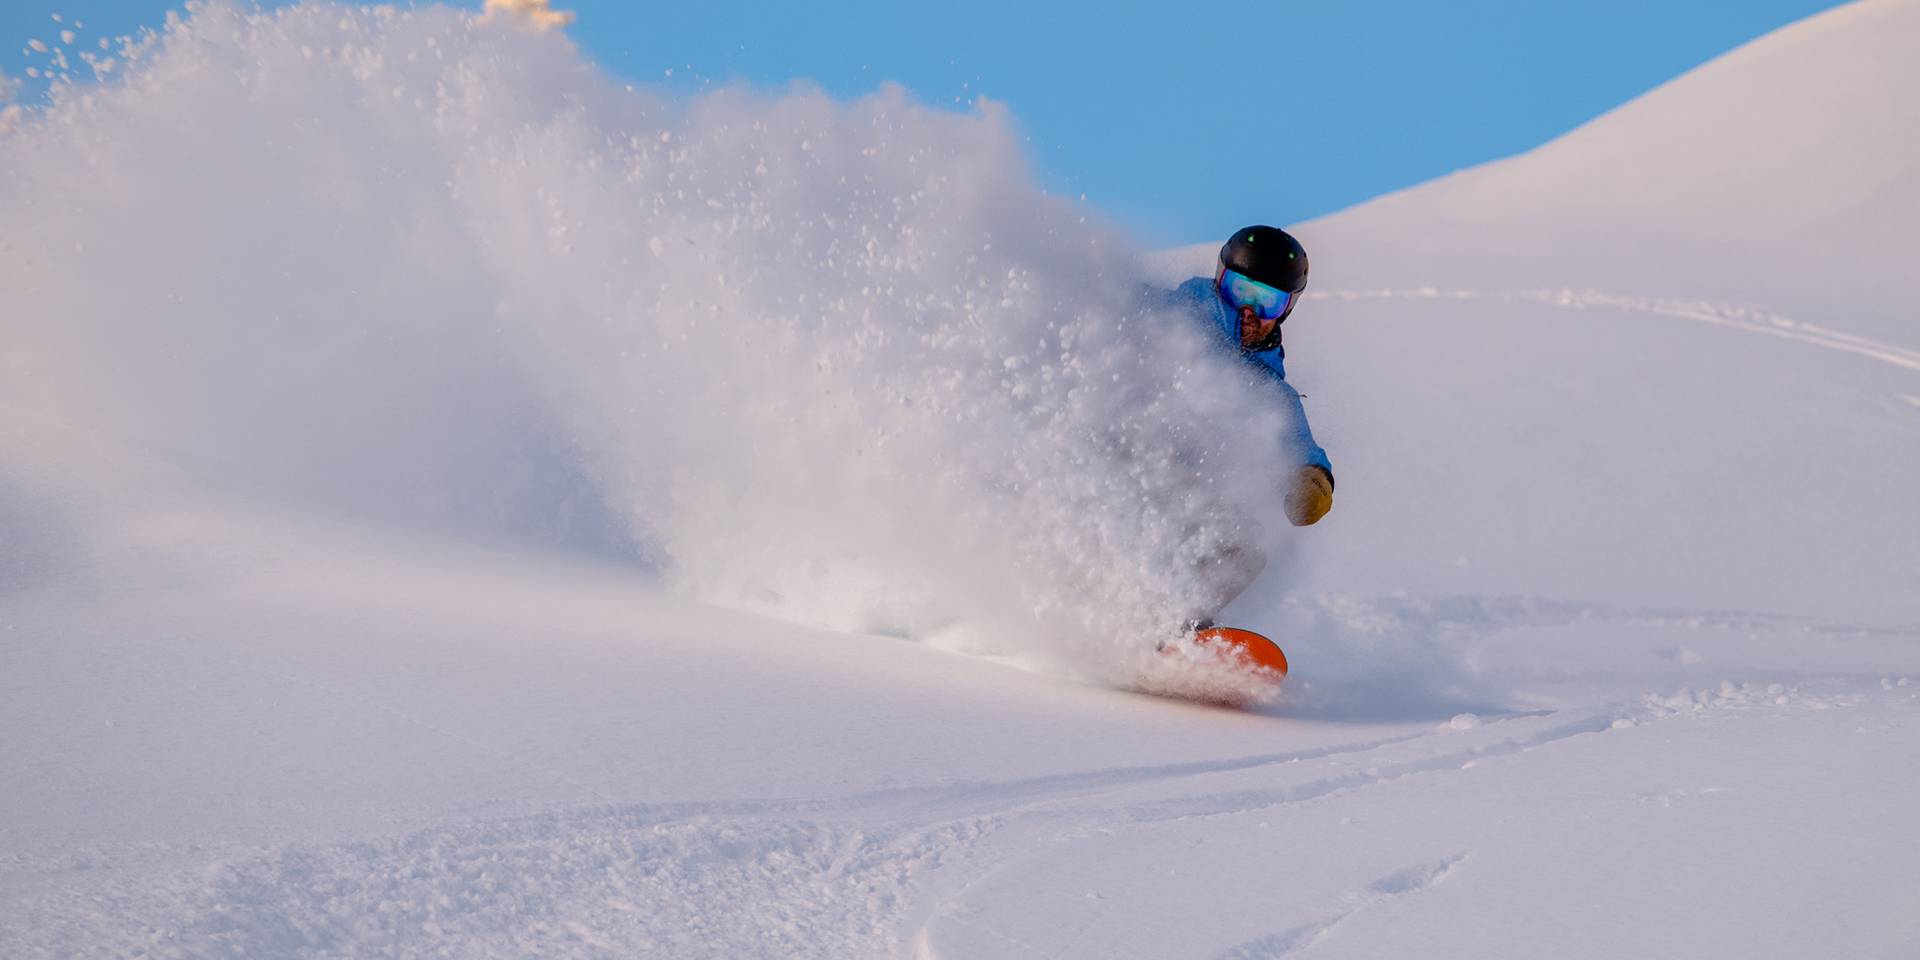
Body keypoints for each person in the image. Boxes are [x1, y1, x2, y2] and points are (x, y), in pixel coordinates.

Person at [1160, 225, 1334, 625]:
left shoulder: (1270, 393)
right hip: (1111, 460)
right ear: (1221, 282)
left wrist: (1311, 479)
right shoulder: (1167, 319)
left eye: (1268, 301)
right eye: (1242, 292)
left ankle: (1174, 625)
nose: (1251, 311)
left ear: (1287, 308)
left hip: (1180, 496)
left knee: (1239, 550)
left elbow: (1296, 445)